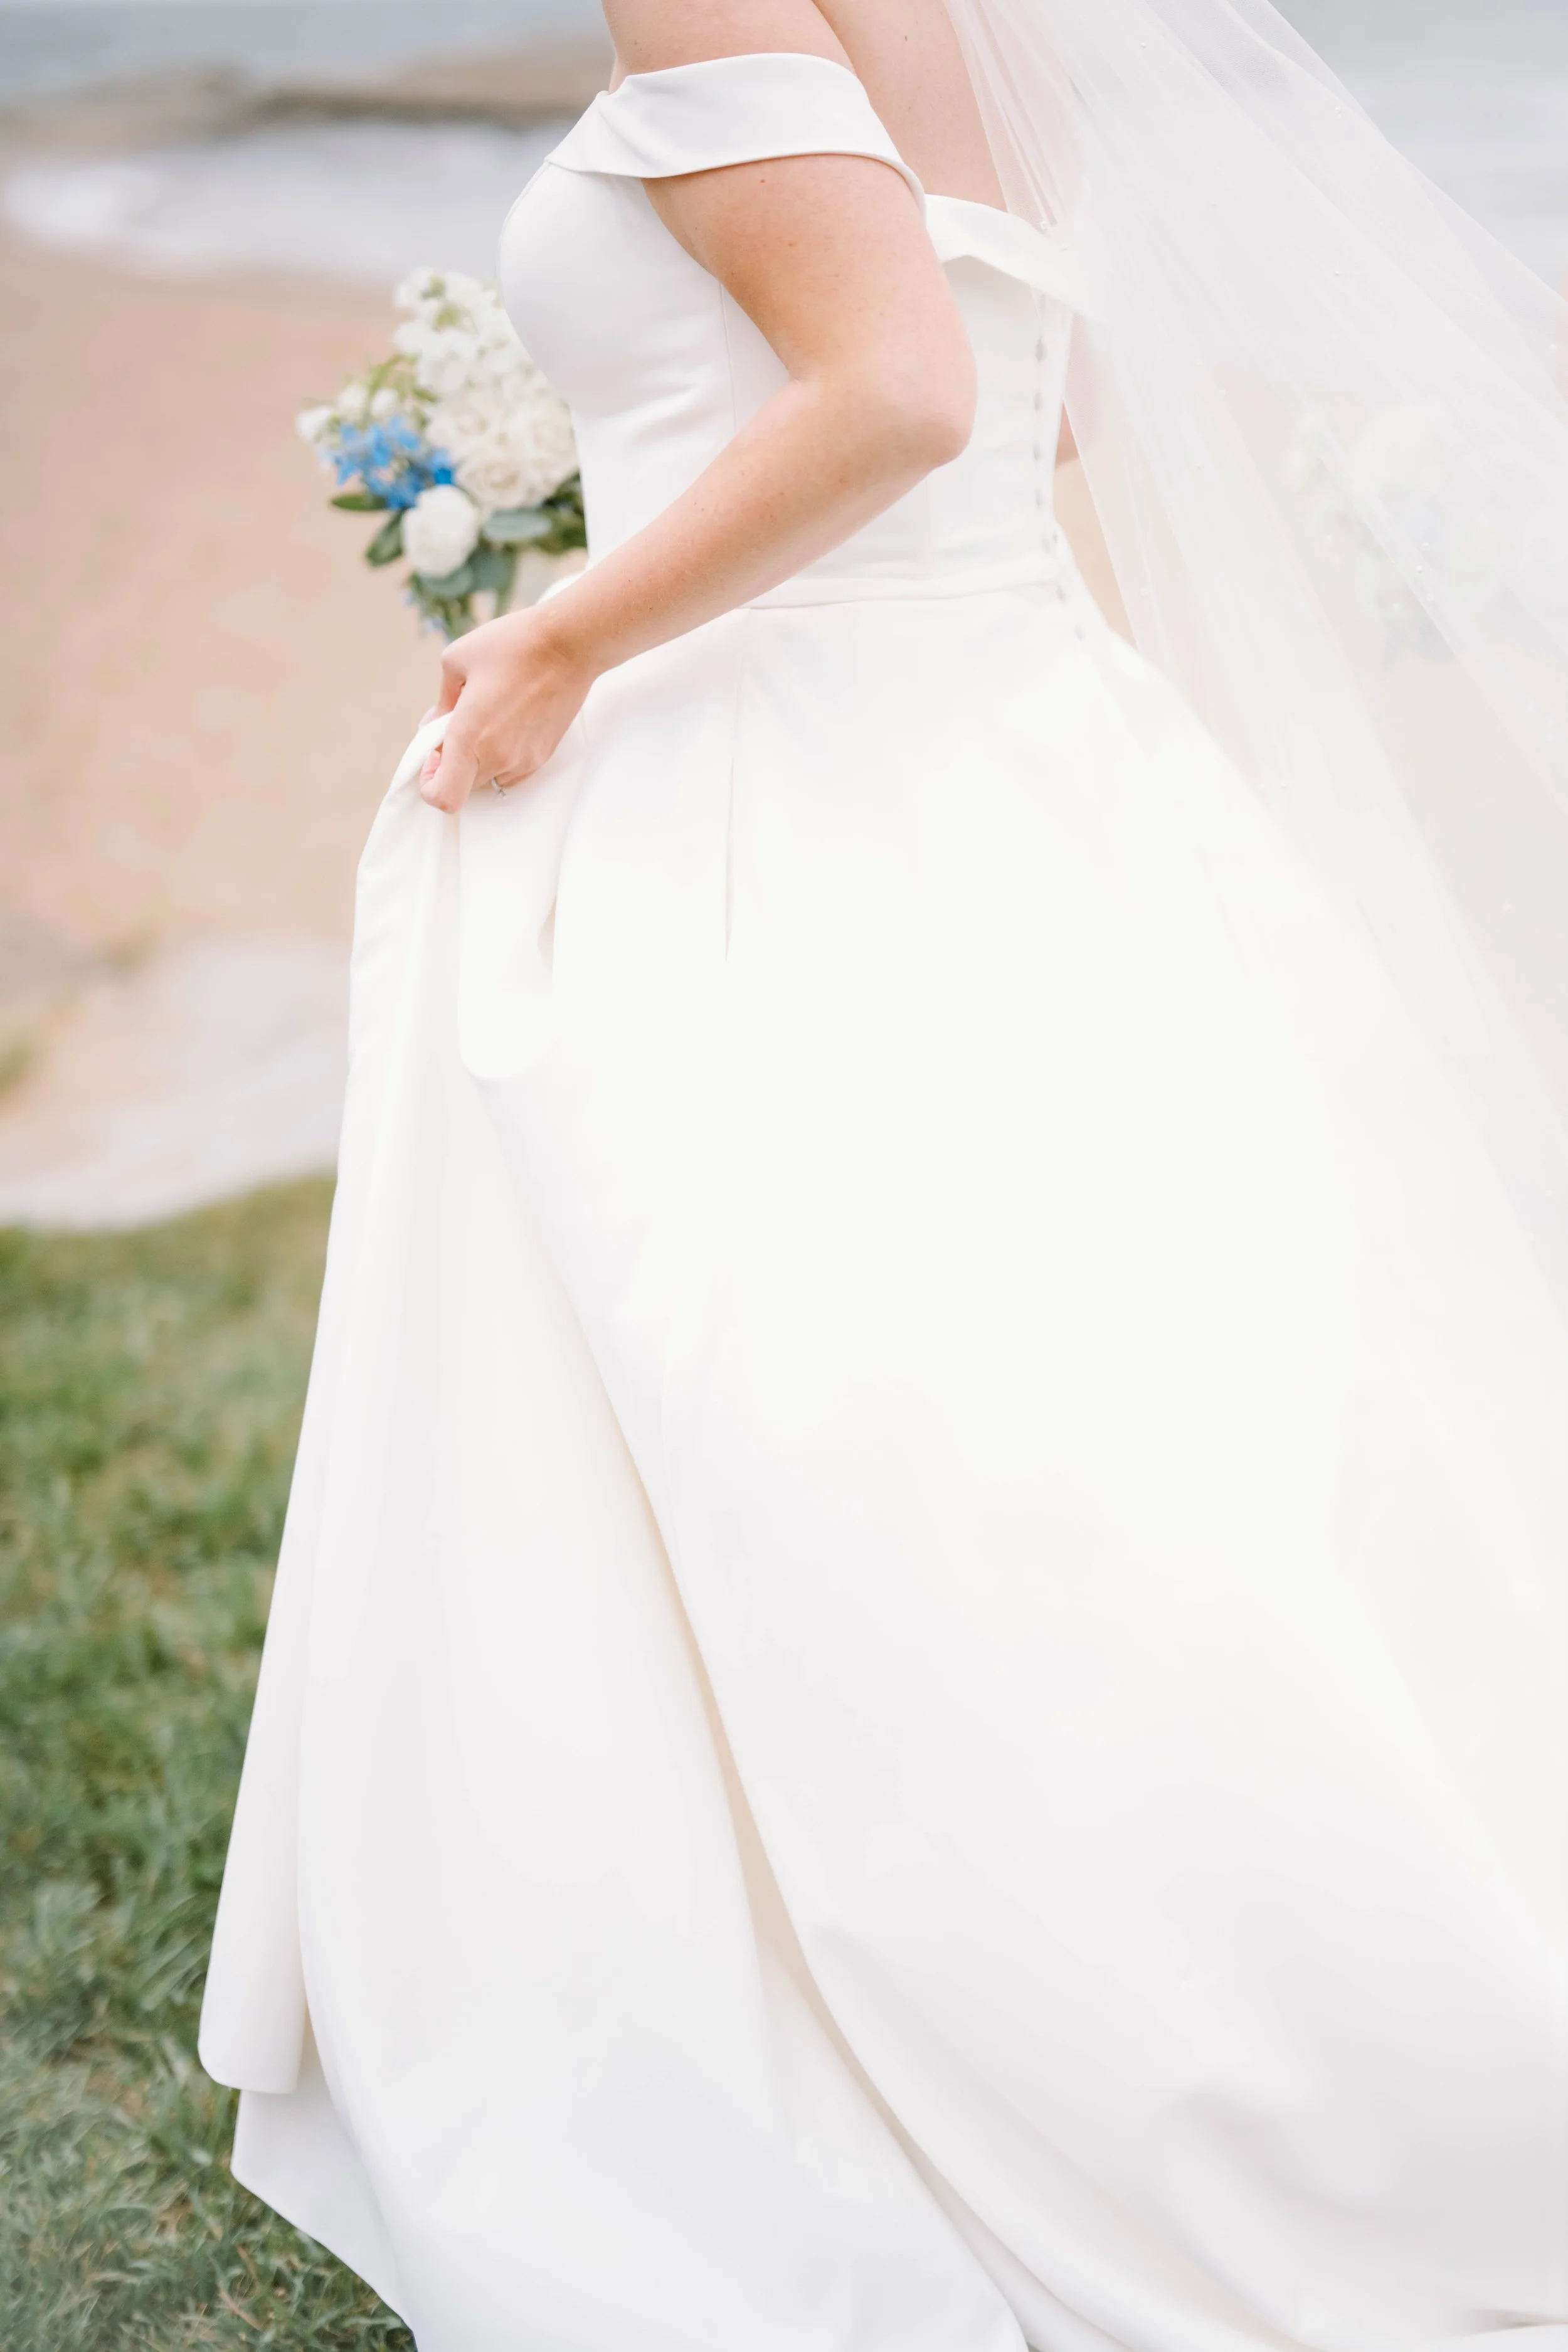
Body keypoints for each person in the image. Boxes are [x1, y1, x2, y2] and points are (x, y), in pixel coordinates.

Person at [199, 3, 1568, 2345]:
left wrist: (556, 634)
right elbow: (1050, 405)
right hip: (1022, 749)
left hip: (781, 784)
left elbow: (901, 389)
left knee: (847, 1447)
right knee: (1133, 1440)